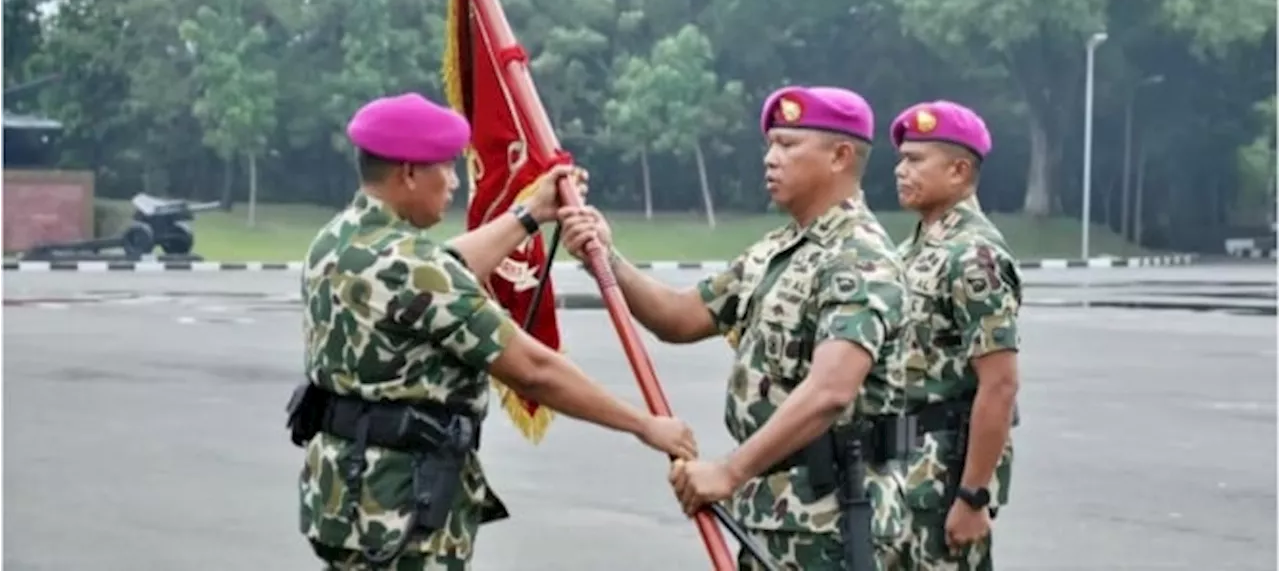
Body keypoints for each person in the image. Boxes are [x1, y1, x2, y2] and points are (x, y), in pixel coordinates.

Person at [287, 92, 698, 571]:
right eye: (446, 168)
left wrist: (529, 214)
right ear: (409, 173)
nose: (455, 182)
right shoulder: (411, 266)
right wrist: (644, 425)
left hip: (347, 497)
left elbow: (446, 268)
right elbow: (533, 370)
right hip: (399, 510)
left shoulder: (341, 239)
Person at [559, 86, 913, 570]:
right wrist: (605, 257)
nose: (770, 159)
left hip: (834, 520)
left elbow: (831, 390)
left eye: (788, 145)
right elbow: (681, 317)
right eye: (770, 145)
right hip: (774, 514)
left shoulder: (859, 257)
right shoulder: (777, 250)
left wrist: (729, 471)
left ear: (840, 156)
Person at [889, 100, 1022, 570]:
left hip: (943, 479)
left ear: (959, 169)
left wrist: (972, 495)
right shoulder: (913, 250)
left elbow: (1000, 383)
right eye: (902, 158)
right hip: (900, 471)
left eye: (916, 159)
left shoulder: (973, 256)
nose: (900, 170)